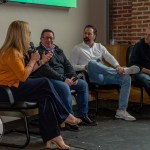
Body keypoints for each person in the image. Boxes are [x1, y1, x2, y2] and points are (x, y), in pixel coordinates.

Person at [0, 20, 81, 149]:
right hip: (6, 92)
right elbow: (23, 76)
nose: (29, 36)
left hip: (15, 87)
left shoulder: (15, 51)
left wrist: (41, 61)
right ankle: (64, 115)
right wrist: (32, 60)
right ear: (20, 34)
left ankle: (52, 137)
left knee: (45, 97)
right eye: (28, 33)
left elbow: (24, 72)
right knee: (44, 82)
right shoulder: (12, 53)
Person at [31, 29, 97, 131]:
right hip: (50, 79)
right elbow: (46, 70)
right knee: (64, 86)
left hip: (64, 78)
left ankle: (83, 115)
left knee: (83, 84)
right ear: (41, 39)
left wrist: (73, 77)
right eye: (47, 38)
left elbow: (68, 65)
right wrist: (64, 79)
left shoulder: (58, 50)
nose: (49, 40)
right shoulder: (38, 52)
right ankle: (69, 119)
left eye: (51, 38)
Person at [71, 25, 140, 121]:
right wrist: (85, 66)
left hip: (105, 75)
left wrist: (117, 66)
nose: (86, 35)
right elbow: (72, 66)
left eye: (89, 33)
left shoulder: (100, 46)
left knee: (126, 78)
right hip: (92, 77)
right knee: (92, 63)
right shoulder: (77, 48)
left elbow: (109, 57)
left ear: (94, 36)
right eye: (85, 33)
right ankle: (123, 70)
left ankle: (121, 110)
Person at [130, 27, 150, 96]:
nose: (146, 37)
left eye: (149, 35)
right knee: (147, 79)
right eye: (145, 34)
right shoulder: (139, 46)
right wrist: (148, 71)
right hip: (141, 72)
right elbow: (132, 64)